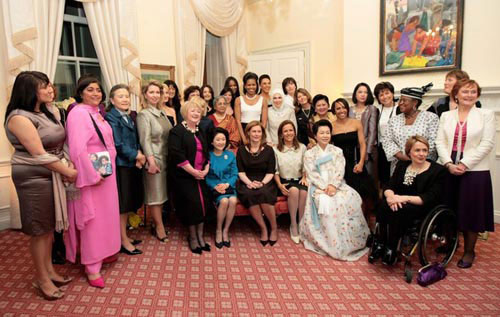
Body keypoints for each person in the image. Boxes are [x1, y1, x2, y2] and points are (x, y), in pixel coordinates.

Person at [4, 71, 77, 300]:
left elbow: (59, 143)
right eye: (44, 87)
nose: (50, 90)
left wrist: (68, 163)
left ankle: (49, 271)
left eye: (50, 85)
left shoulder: (46, 112)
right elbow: (38, 153)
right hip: (33, 177)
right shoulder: (18, 117)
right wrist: (67, 171)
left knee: (47, 231)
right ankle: (41, 279)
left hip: (51, 174)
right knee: (39, 230)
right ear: (28, 90)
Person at [65, 77, 120, 288]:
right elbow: (78, 148)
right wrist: (91, 175)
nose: (96, 93)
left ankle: (105, 251)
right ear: (80, 92)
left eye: (98, 90)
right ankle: (92, 266)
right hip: (92, 173)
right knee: (93, 219)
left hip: (106, 168)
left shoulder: (97, 113)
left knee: (107, 215)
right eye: (90, 90)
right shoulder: (78, 113)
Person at [436, 79, 495, 269]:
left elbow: (487, 143)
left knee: (472, 211)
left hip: (475, 170)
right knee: (449, 206)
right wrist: (448, 163)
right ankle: (451, 243)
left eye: (473, 92)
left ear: (477, 95)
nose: (469, 95)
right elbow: (440, 142)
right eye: (465, 92)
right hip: (449, 166)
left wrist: (464, 163)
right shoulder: (446, 115)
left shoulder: (486, 114)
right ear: (456, 94)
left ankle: (469, 251)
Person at [370, 136, 446, 265]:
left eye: (424, 150)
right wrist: (391, 197)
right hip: (398, 202)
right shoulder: (402, 165)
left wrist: (403, 198)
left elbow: (429, 197)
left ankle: (391, 246)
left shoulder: (437, 170)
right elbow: (389, 186)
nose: (421, 154)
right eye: (417, 150)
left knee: (398, 210)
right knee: (383, 205)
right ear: (409, 151)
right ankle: (380, 242)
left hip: (421, 206)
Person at [300, 120, 369, 261]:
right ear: (315, 135)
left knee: (351, 198)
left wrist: (333, 186)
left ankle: (349, 242)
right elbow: (312, 173)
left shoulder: (337, 151)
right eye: (322, 133)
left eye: (327, 132)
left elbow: (340, 170)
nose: (325, 135)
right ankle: (331, 243)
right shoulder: (309, 154)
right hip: (319, 187)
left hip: (336, 184)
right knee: (327, 203)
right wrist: (325, 187)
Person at [168, 100, 215, 254]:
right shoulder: (177, 131)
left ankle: (201, 237)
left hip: (201, 174)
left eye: (198, 111)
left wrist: (206, 168)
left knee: (203, 205)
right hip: (184, 176)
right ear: (185, 113)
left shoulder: (200, 130)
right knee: (192, 205)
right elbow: (177, 155)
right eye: (192, 111)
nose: (196, 114)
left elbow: (206, 151)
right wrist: (193, 172)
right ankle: (193, 237)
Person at [105, 84, 145, 256]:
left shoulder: (128, 116)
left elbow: (134, 140)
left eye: (127, 96)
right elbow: (118, 144)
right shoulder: (111, 117)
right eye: (120, 96)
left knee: (128, 202)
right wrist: (136, 156)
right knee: (122, 205)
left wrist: (139, 154)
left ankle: (124, 236)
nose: (125, 99)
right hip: (121, 165)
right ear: (112, 100)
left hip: (131, 163)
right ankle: (122, 241)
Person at [137, 81, 173, 243]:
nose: (155, 95)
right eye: (151, 92)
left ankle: (157, 223)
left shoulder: (162, 113)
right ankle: (158, 227)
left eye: (157, 92)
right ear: (145, 94)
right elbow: (145, 141)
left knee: (164, 194)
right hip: (155, 160)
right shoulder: (144, 115)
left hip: (167, 159)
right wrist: (151, 162)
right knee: (155, 197)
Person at [331, 98, 378, 218]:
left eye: (343, 107)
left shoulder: (356, 123)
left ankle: (366, 220)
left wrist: (361, 163)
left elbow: (362, 144)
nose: (341, 110)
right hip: (340, 163)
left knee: (366, 192)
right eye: (338, 108)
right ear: (334, 111)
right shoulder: (331, 126)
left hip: (356, 161)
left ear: (347, 109)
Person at [236, 121, 278, 246]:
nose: (256, 134)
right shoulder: (242, 150)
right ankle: (263, 228)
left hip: (265, 180)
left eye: (259, 131)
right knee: (249, 194)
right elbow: (241, 171)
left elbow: (271, 172)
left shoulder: (269, 150)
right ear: (248, 133)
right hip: (247, 181)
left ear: (262, 134)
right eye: (253, 131)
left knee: (263, 192)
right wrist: (249, 183)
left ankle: (274, 228)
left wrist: (261, 183)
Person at [382, 83, 439, 175]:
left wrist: (417, 157)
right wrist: (402, 157)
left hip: (424, 165)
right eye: (400, 100)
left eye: (404, 100)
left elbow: (433, 141)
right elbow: (387, 140)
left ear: (415, 102)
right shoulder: (394, 120)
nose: (400, 103)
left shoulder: (430, 118)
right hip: (399, 165)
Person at [273, 120, 307, 244]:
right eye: (285, 131)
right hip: (284, 181)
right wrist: (279, 185)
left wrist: (305, 177)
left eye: (291, 130)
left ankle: (302, 224)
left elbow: (305, 166)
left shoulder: (302, 147)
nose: (288, 133)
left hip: (299, 179)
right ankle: (293, 225)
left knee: (303, 192)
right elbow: (275, 170)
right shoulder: (276, 149)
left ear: (295, 132)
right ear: (281, 134)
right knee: (294, 190)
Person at [206, 128, 238, 248]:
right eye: (218, 139)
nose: (221, 142)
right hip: (214, 186)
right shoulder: (208, 155)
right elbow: (206, 176)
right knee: (224, 201)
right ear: (212, 142)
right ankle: (218, 230)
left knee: (233, 200)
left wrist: (228, 184)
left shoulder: (230, 155)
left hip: (229, 186)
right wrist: (215, 186)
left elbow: (235, 173)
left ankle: (226, 230)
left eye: (223, 139)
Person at [349, 83, 379, 177]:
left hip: (367, 148)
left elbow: (372, 132)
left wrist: (367, 152)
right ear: (355, 94)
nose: (363, 94)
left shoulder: (372, 109)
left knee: (369, 176)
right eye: (360, 92)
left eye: (366, 92)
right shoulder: (349, 109)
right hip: (352, 148)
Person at [374, 81, 400, 187]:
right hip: (382, 148)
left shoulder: (400, 108)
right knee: (384, 177)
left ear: (392, 93)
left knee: (397, 176)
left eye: (387, 93)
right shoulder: (377, 110)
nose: (385, 97)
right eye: (381, 94)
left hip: (398, 149)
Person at [234, 72, 269, 144]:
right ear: (245, 86)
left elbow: (264, 122)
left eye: (253, 85)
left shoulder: (263, 100)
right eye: (249, 85)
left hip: (258, 132)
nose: (251, 87)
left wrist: (259, 135)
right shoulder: (238, 100)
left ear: (257, 85)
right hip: (244, 131)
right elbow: (238, 121)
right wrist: (243, 138)